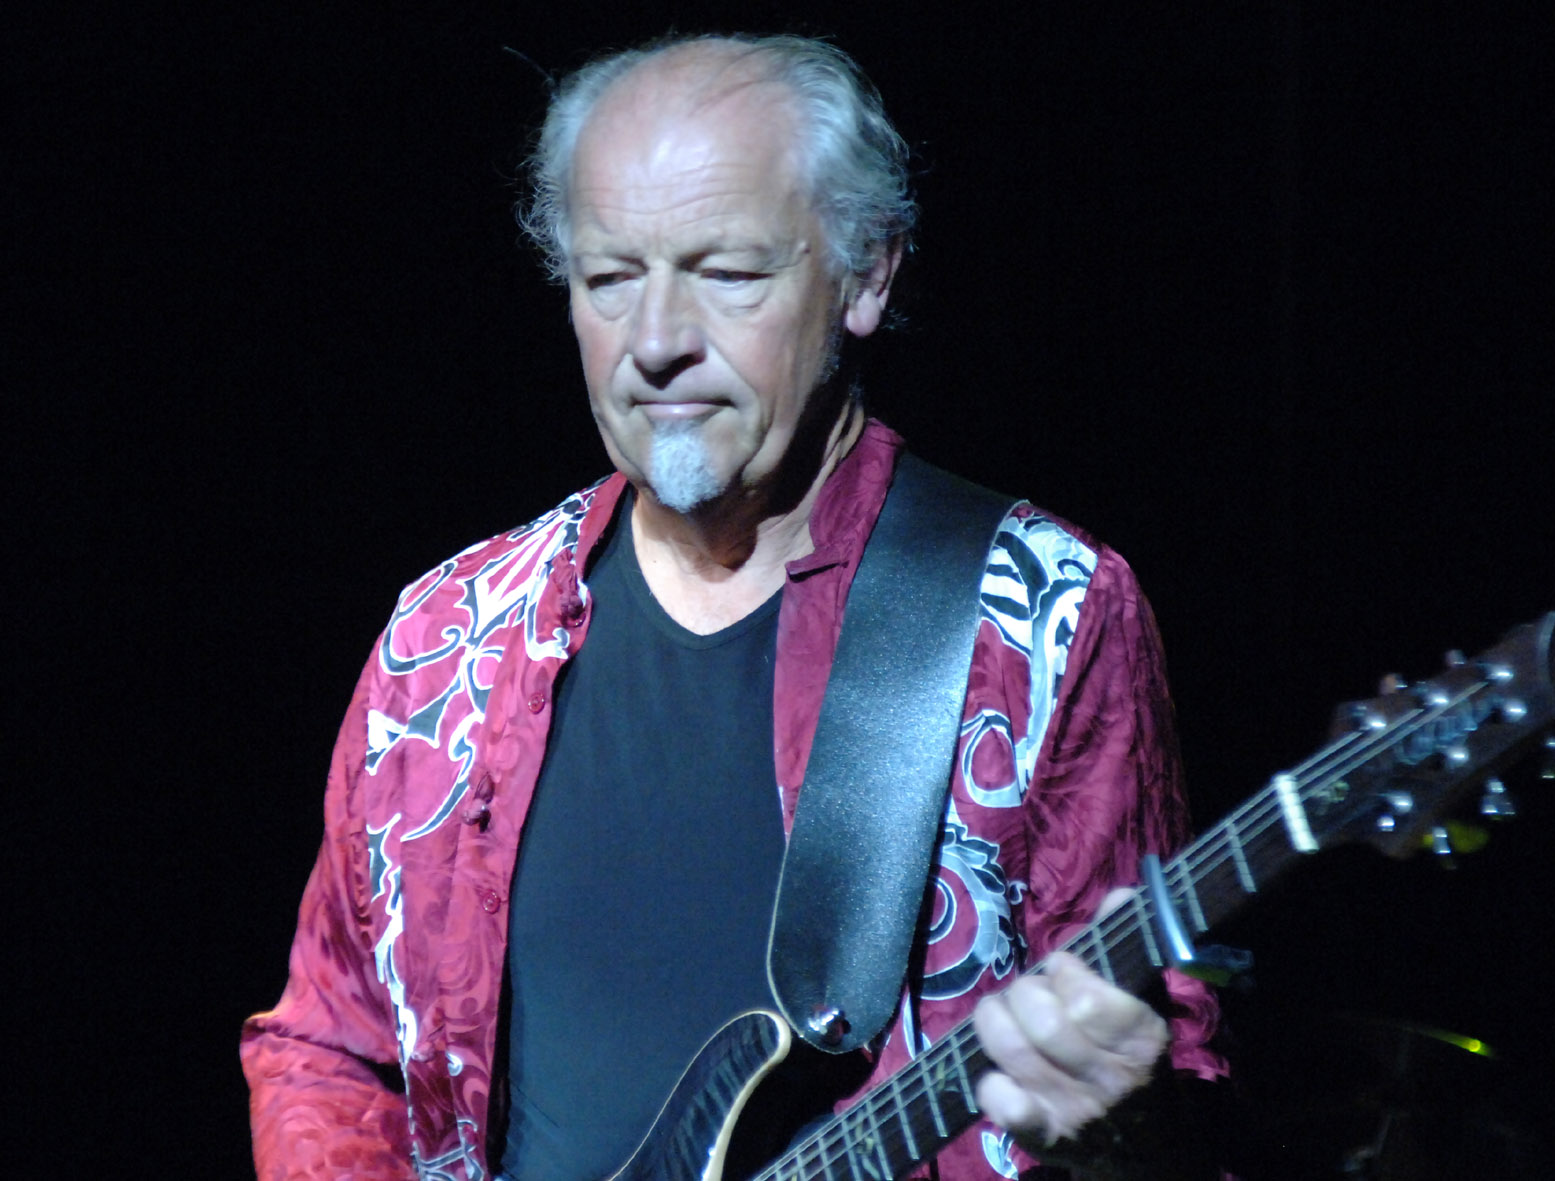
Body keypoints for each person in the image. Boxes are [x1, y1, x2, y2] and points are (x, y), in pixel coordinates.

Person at [242, 32, 1227, 1181]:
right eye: (612, 278)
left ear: (867, 275)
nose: (656, 343)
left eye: (728, 273)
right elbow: (329, 1045)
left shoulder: (1041, 617)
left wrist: (1123, 1121)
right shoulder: (445, 637)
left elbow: (1169, 1077)